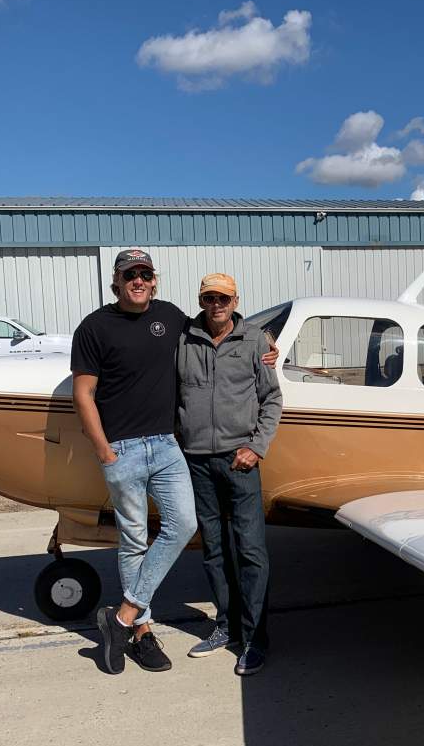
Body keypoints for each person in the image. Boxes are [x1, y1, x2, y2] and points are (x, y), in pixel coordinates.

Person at [72, 251, 276, 675]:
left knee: (203, 533)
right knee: (147, 542)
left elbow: (255, 370)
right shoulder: (103, 327)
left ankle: (126, 616)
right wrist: (104, 451)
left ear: (154, 281)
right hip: (144, 452)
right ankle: (145, 630)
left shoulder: (180, 320)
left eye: (145, 274)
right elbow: (83, 393)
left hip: (185, 450)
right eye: (130, 274)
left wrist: (267, 341)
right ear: (117, 281)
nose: (138, 280)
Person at [177, 273, 282, 676]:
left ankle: (256, 637)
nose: (216, 304)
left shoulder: (254, 340)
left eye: (223, 298)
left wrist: (256, 447)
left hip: (240, 462)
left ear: (235, 301)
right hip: (197, 461)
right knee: (213, 549)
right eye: (209, 298)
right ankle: (227, 625)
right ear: (201, 301)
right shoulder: (183, 340)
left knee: (251, 549)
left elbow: (271, 398)